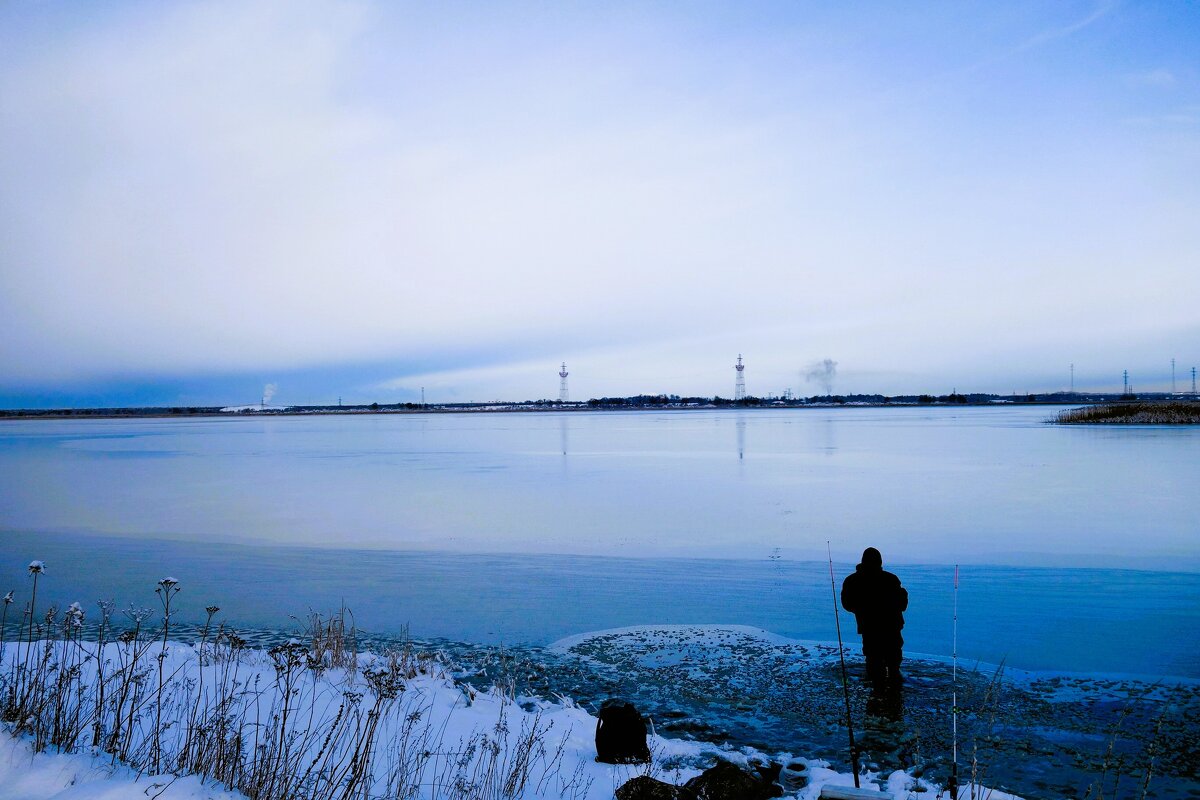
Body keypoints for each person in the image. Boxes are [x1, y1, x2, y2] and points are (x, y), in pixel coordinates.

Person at [841, 547, 908, 688]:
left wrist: (861, 609)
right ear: (880, 561)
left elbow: (847, 604)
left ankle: (877, 697)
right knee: (893, 660)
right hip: (891, 626)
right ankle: (894, 692)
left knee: (873, 660)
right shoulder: (891, 579)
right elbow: (902, 605)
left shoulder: (852, 580)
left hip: (869, 626)